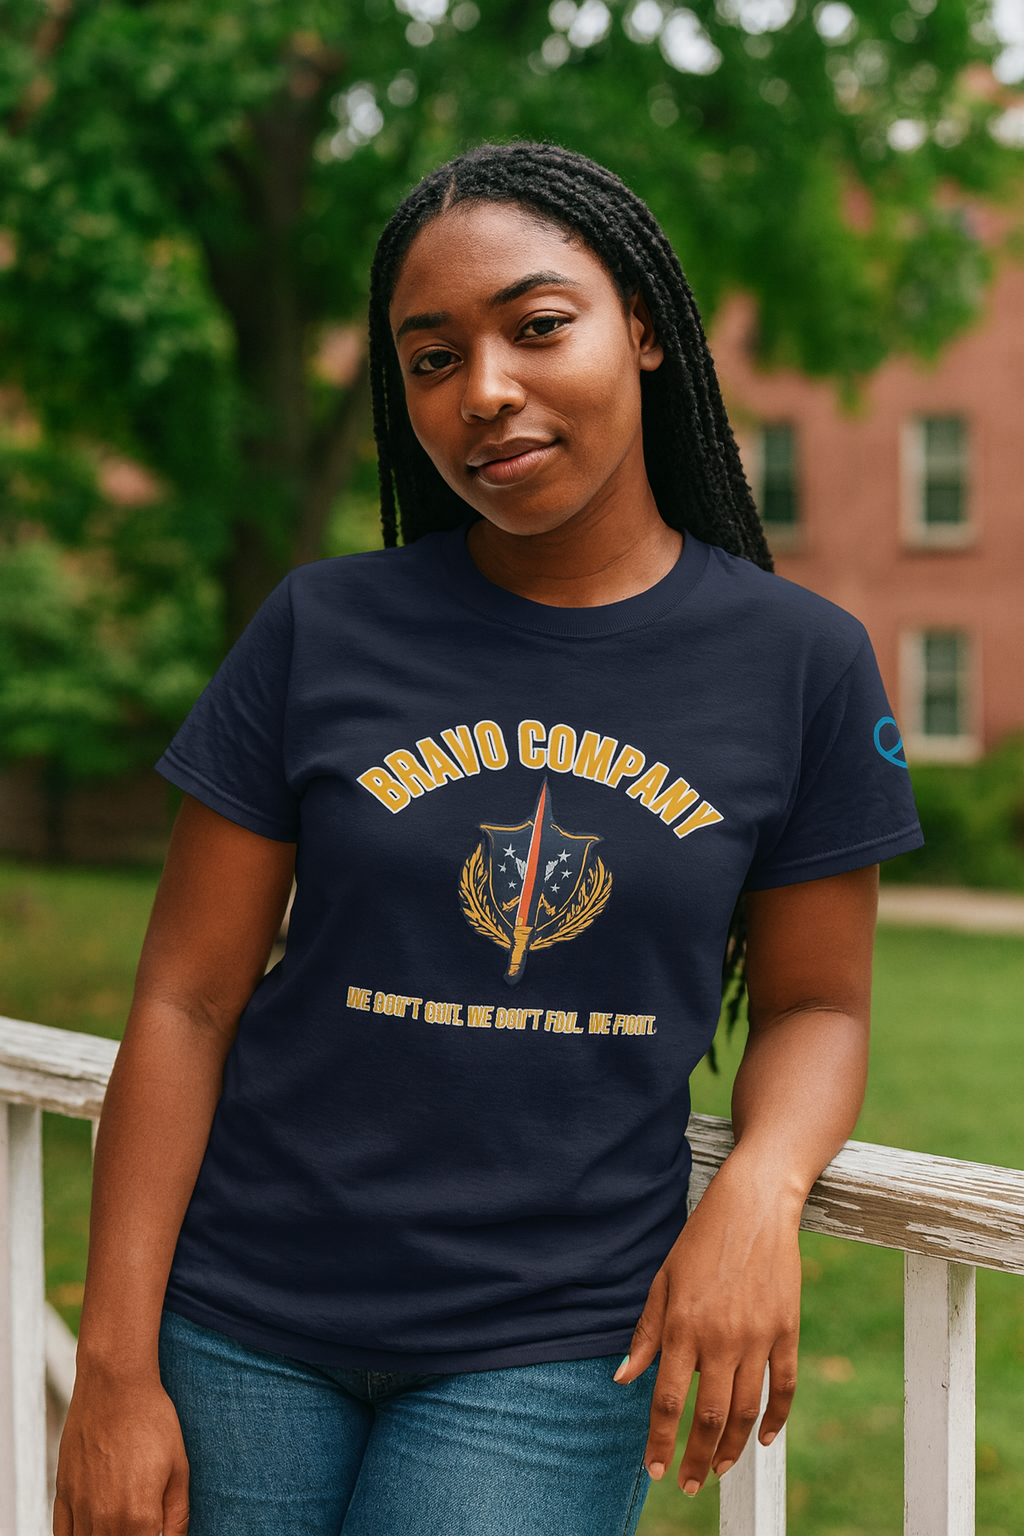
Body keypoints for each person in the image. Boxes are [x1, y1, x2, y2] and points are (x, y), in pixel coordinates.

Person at [55, 143, 922, 1536]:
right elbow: (185, 996)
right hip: (240, 1316)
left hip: (552, 1337)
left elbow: (818, 1000)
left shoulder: (798, 663)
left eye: (535, 327)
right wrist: (112, 1369)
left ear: (641, 328)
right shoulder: (320, 628)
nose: (485, 393)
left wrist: (758, 1194)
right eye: (431, 359)